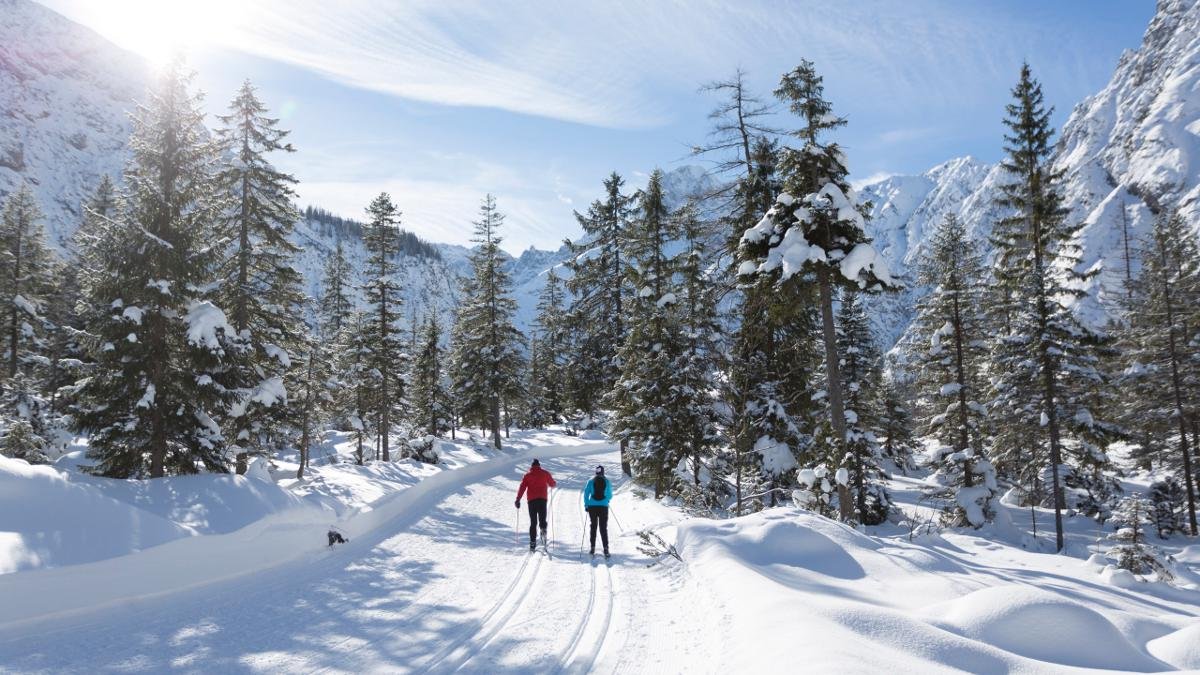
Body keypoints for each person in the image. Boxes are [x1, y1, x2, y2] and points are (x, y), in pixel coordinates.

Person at [515, 459, 557, 551]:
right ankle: (543, 531)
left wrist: (518, 499)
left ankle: (533, 542)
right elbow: (552, 483)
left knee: (533, 522)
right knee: (542, 519)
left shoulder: (527, 475)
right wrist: (554, 483)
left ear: (532, 466)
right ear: (539, 465)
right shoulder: (545, 473)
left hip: (532, 501)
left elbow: (522, 487)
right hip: (542, 499)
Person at [584, 465, 613, 558]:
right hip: (603, 506)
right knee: (603, 527)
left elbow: (586, 493)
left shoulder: (591, 481)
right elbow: (610, 494)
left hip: (592, 506)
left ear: (596, 472)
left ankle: (592, 547)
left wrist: (586, 504)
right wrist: (606, 500)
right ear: (603, 472)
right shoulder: (607, 481)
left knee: (593, 526)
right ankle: (606, 548)